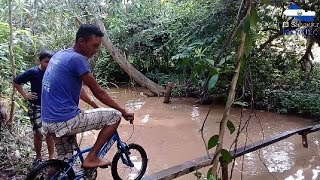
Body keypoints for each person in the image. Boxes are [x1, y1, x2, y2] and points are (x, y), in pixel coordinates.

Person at [41, 24, 134, 168]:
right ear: (81, 42)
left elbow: (77, 90)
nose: (96, 51)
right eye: (94, 45)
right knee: (114, 116)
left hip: (48, 120)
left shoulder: (60, 55)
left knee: (64, 161)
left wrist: (94, 106)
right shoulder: (77, 59)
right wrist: (123, 110)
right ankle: (92, 157)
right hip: (65, 120)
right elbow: (98, 91)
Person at [13, 50, 55, 165]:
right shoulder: (33, 72)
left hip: (49, 107)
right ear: (40, 61)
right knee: (38, 133)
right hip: (36, 106)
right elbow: (16, 82)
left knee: (50, 132)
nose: (49, 64)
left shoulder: (53, 72)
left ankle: (52, 158)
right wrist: (26, 95)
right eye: (46, 62)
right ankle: (38, 157)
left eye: (51, 62)